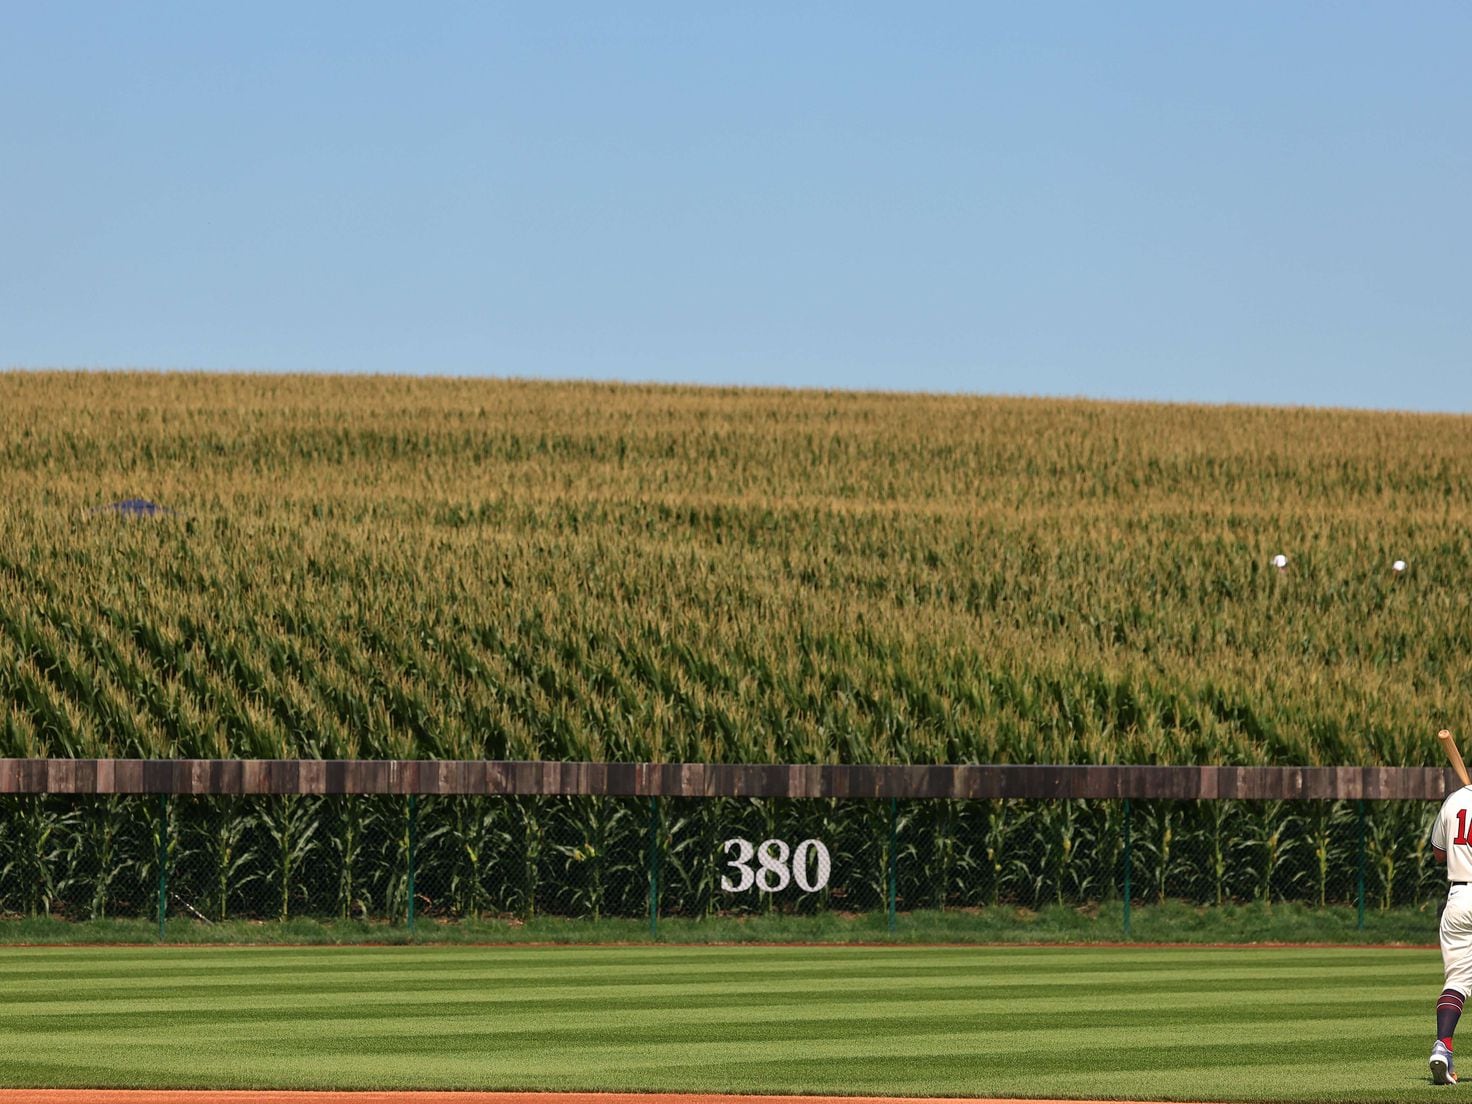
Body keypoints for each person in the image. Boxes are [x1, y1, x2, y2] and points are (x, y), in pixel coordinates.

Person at [1429, 785, 1472, 1085]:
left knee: (1456, 981)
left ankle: (1443, 1047)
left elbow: (1438, 854)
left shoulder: (1455, 799)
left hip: (1458, 898)